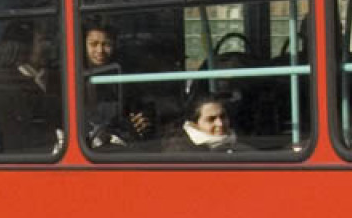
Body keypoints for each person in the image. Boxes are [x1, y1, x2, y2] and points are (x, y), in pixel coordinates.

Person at [0, 20, 64, 155]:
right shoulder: (8, 83)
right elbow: (23, 132)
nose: (46, 47)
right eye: (40, 41)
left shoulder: (36, 77)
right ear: (25, 47)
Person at [82, 18, 152, 149]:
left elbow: (137, 113)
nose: (100, 50)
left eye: (106, 44)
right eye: (93, 44)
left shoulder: (124, 78)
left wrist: (140, 123)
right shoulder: (72, 76)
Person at [164, 95, 247, 153]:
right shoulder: (180, 152)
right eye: (211, 119)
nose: (220, 123)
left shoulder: (243, 146)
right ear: (194, 125)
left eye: (223, 116)